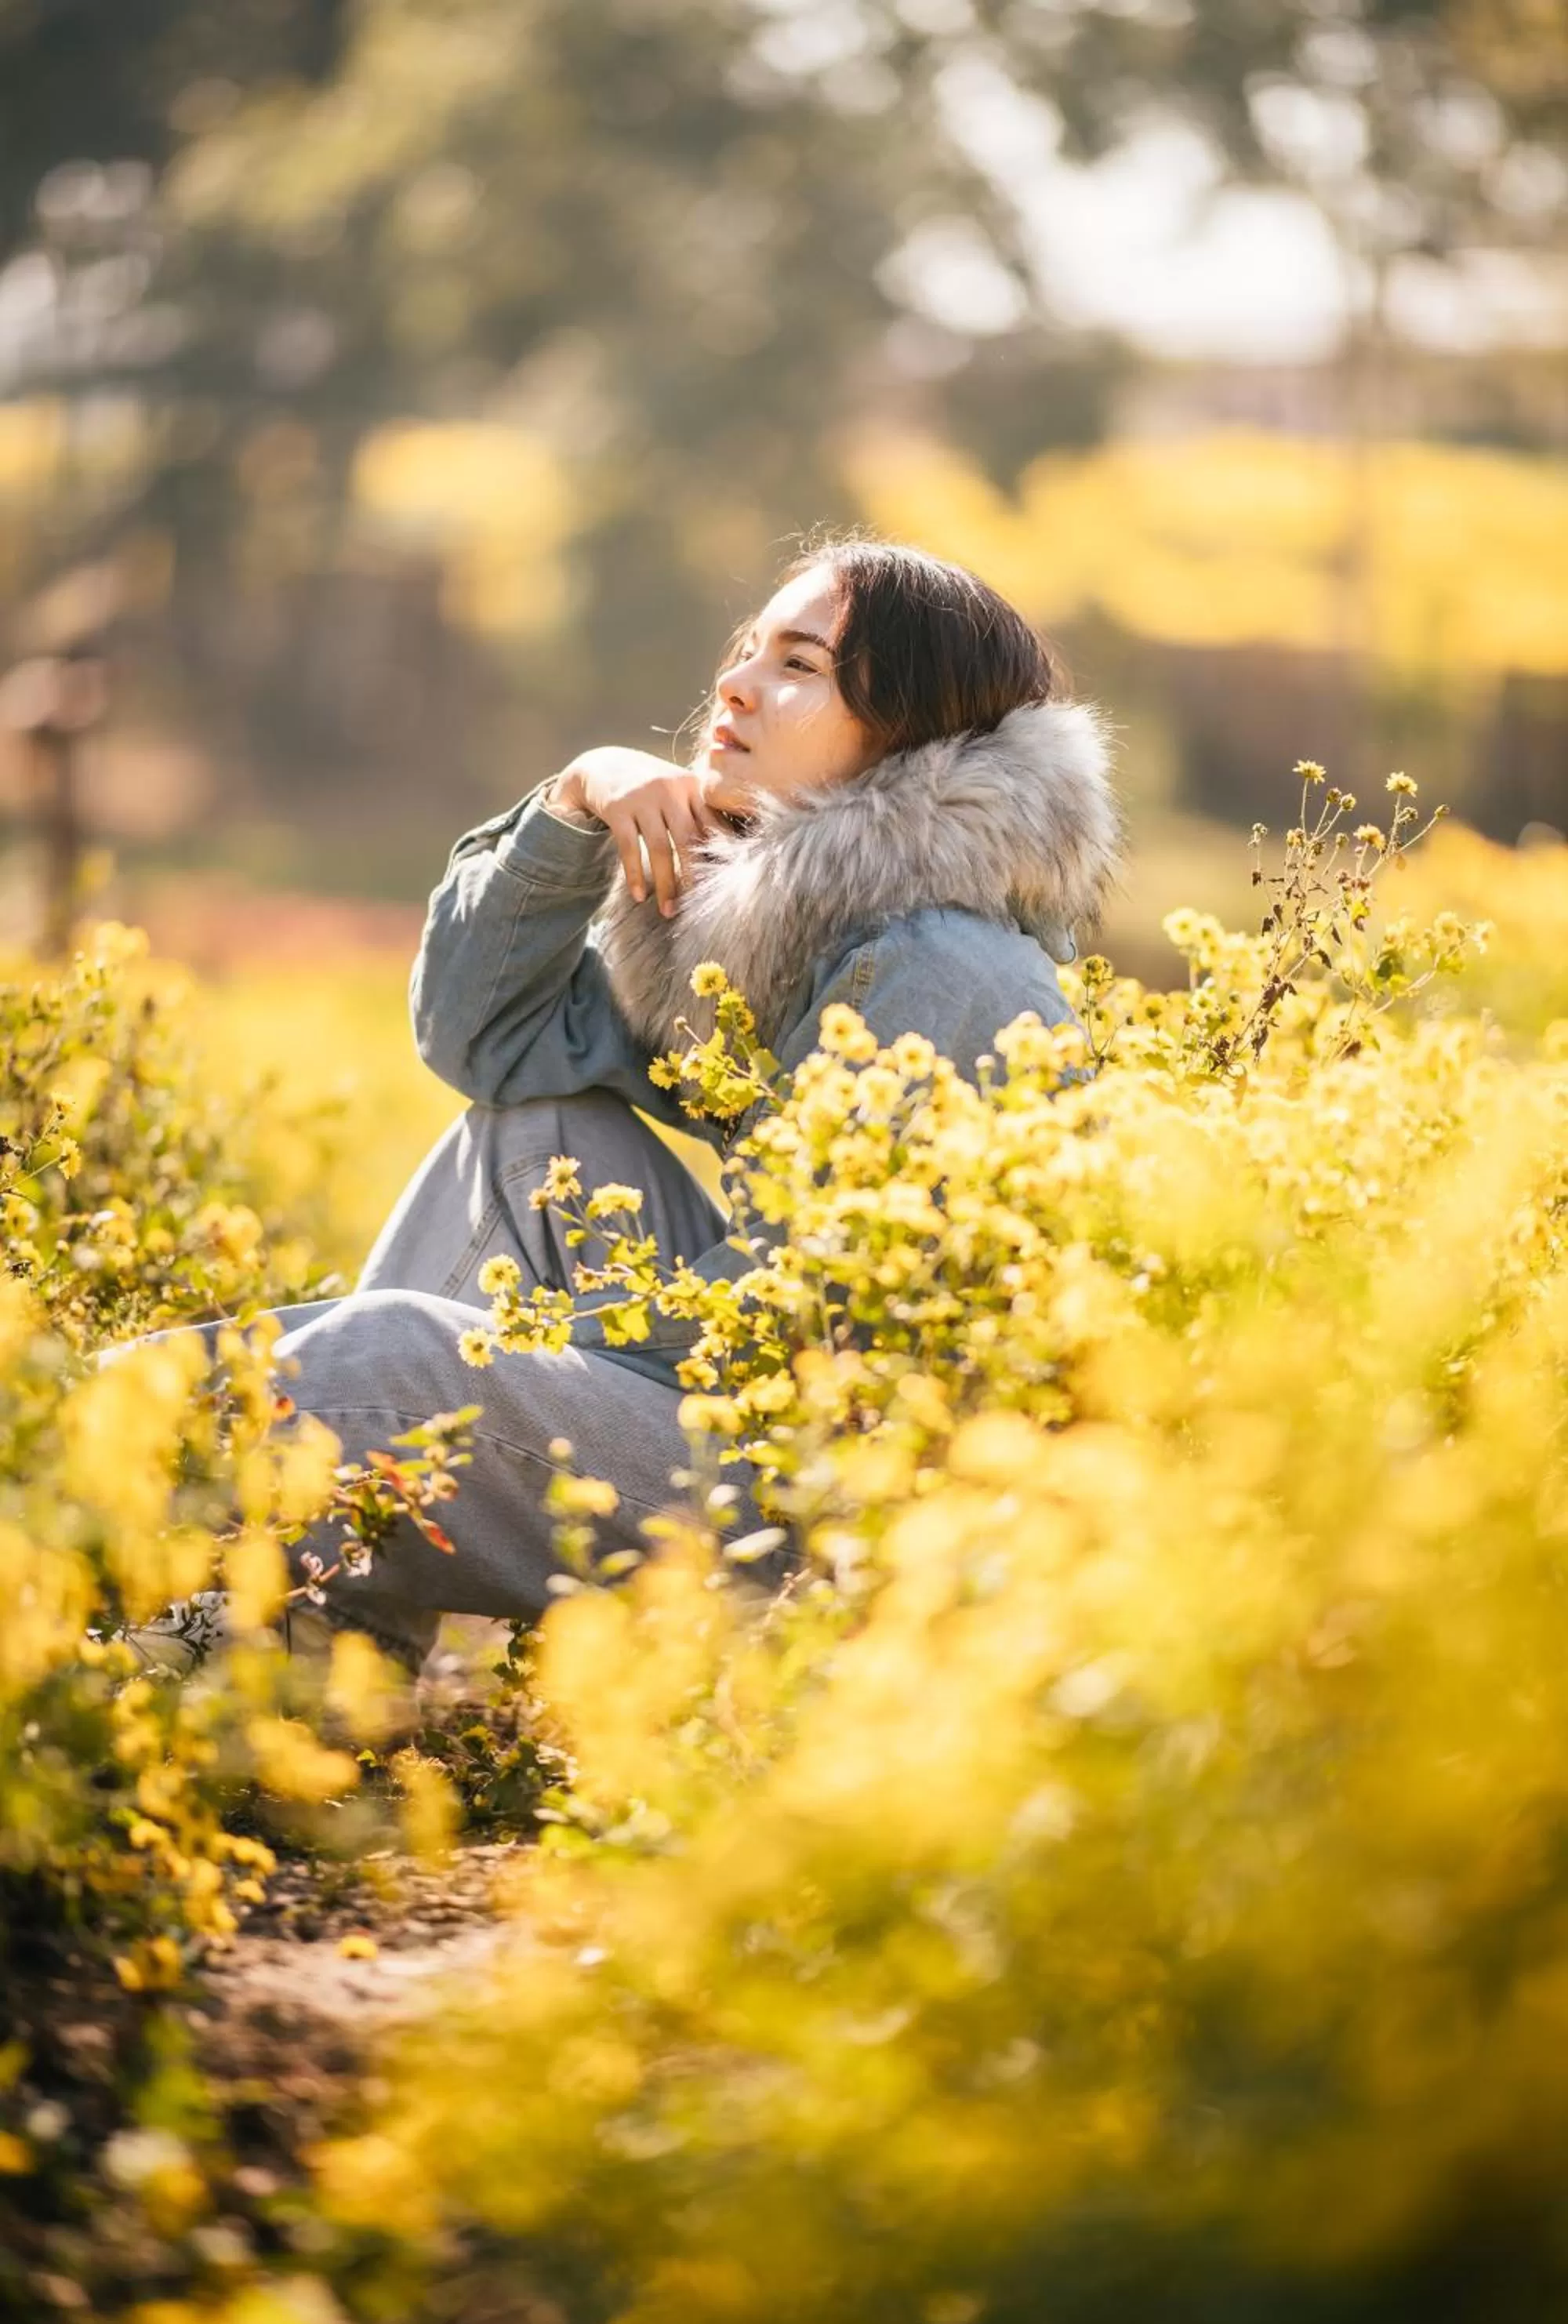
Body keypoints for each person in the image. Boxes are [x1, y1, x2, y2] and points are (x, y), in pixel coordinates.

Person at [124, 538, 1119, 1680]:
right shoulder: (775, 927)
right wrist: (577, 797)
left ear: (910, 736)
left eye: (800, 665)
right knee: (531, 1132)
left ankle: (97, 1455)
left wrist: (502, 1357)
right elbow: (490, 1044)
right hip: (758, 1408)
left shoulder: (941, 968)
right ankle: (320, 1630)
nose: (737, 685)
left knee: (394, 1361)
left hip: (839, 1522)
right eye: (745, 650)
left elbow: (830, 1356)